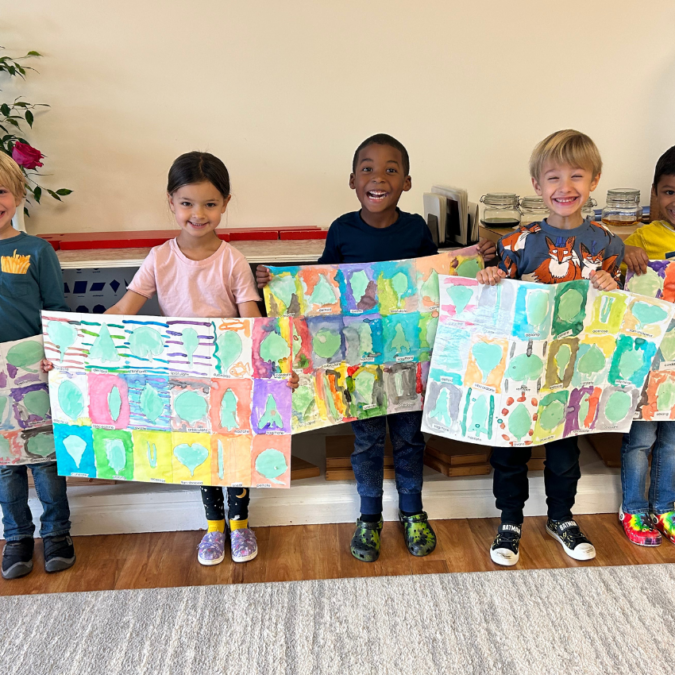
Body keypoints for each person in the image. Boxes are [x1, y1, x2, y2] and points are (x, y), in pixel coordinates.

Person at [257, 133, 496, 562]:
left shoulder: (416, 229)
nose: (378, 177)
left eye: (390, 169)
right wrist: (274, 280)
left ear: (406, 182)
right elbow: (318, 285)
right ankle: (369, 517)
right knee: (366, 443)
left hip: (410, 363)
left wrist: (477, 258)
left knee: (410, 441)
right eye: (367, 168)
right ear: (352, 180)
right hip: (358, 365)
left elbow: (436, 280)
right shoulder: (342, 230)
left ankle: (412, 511)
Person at [104, 151, 297, 565]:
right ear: (171, 202)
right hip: (184, 374)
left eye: (210, 203)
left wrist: (276, 367)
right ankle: (213, 528)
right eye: (187, 203)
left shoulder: (233, 261)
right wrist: (70, 344)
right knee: (203, 452)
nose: (198, 213)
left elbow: (253, 321)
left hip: (231, 374)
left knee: (236, 450)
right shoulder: (159, 258)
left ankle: (240, 524)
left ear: (226, 203)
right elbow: (124, 308)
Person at [478, 129, 624, 566]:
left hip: (573, 370)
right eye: (554, 178)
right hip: (520, 369)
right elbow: (494, 300)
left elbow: (617, 311)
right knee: (511, 445)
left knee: (564, 451)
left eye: (576, 176)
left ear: (594, 180)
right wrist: (489, 279)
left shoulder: (606, 244)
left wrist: (610, 286)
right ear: (537, 186)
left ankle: (561, 515)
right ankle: (510, 519)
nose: (566, 188)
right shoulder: (516, 243)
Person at [0, 152, 75, 579]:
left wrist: (55, 353)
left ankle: (58, 533)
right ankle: (16, 537)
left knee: (46, 460)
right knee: (5, 466)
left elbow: (56, 308)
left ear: (17, 194)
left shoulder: (35, 250)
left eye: (1, 190)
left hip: (34, 374)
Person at [618, 145, 675, 546]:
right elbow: (616, 274)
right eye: (670, 191)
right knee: (641, 437)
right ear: (655, 193)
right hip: (648, 361)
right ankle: (635, 508)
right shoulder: (642, 237)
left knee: (673, 439)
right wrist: (625, 252)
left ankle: (666, 506)